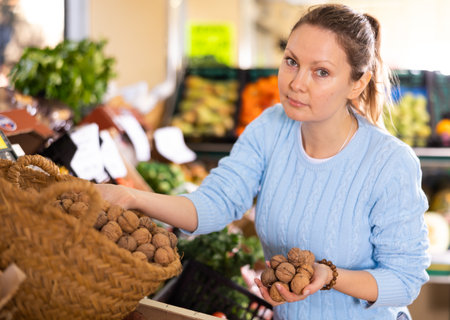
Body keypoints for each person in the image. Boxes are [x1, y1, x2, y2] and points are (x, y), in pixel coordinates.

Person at [96, 4, 430, 319]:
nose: (297, 83)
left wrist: (329, 276)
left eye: (322, 72)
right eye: (291, 61)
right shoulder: (271, 128)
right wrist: (132, 198)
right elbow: (216, 203)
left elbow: (404, 281)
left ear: (357, 83)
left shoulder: (390, 163)